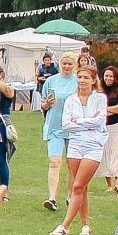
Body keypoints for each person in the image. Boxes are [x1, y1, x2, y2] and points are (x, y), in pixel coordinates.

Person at [52, 71, 108, 235]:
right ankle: (85, 225)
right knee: (81, 187)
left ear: (93, 80)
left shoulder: (100, 98)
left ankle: (65, 225)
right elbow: (66, 124)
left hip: (94, 145)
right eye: (80, 77)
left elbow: (99, 121)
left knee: (77, 186)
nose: (82, 80)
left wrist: (79, 121)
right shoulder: (71, 100)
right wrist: (87, 123)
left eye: (86, 78)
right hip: (75, 144)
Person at [38, 53, 79, 211]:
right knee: (54, 161)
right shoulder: (51, 81)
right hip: (54, 127)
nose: (66, 66)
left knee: (72, 164)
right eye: (64, 63)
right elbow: (43, 105)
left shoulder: (78, 81)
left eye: (69, 64)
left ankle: (71, 196)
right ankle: (52, 198)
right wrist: (47, 103)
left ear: (74, 65)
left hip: (73, 128)